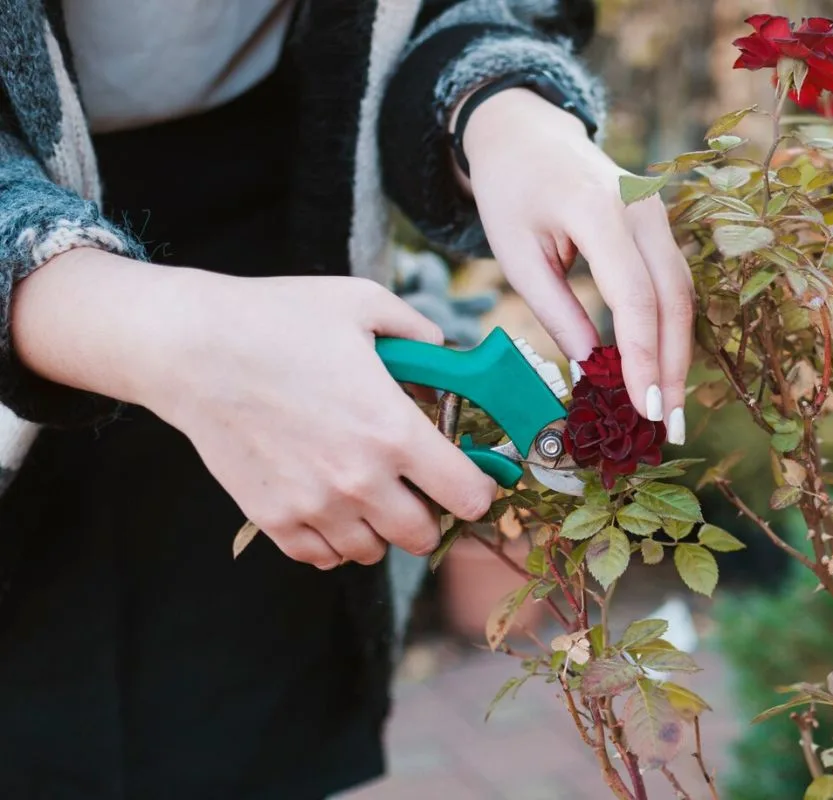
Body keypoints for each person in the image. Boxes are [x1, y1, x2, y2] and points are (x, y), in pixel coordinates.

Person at [0, 1, 693, 797]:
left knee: (255, 726)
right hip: (47, 298)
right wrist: (152, 328)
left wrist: (501, 108)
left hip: (295, 247)